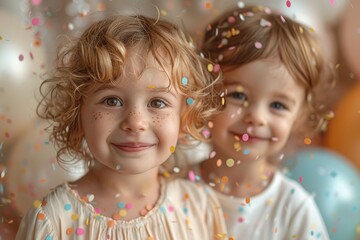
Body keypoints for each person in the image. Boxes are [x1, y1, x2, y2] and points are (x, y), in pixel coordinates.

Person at [16, 14, 227, 240]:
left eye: (157, 102)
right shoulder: (52, 220)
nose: (135, 122)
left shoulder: (199, 206)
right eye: (112, 101)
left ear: (184, 119)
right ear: (78, 113)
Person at [195, 4, 332, 240]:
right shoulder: (173, 192)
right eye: (238, 95)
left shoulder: (294, 209)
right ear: (204, 94)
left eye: (278, 105)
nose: (257, 117)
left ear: (298, 117)